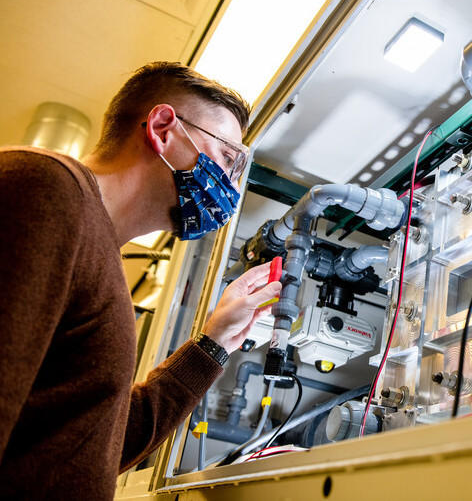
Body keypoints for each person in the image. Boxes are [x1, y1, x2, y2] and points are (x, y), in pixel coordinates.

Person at [0, 62, 281, 499]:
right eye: (228, 158)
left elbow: (95, 442)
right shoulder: (46, 189)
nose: (229, 184)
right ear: (164, 128)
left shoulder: (96, 245)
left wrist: (215, 342)